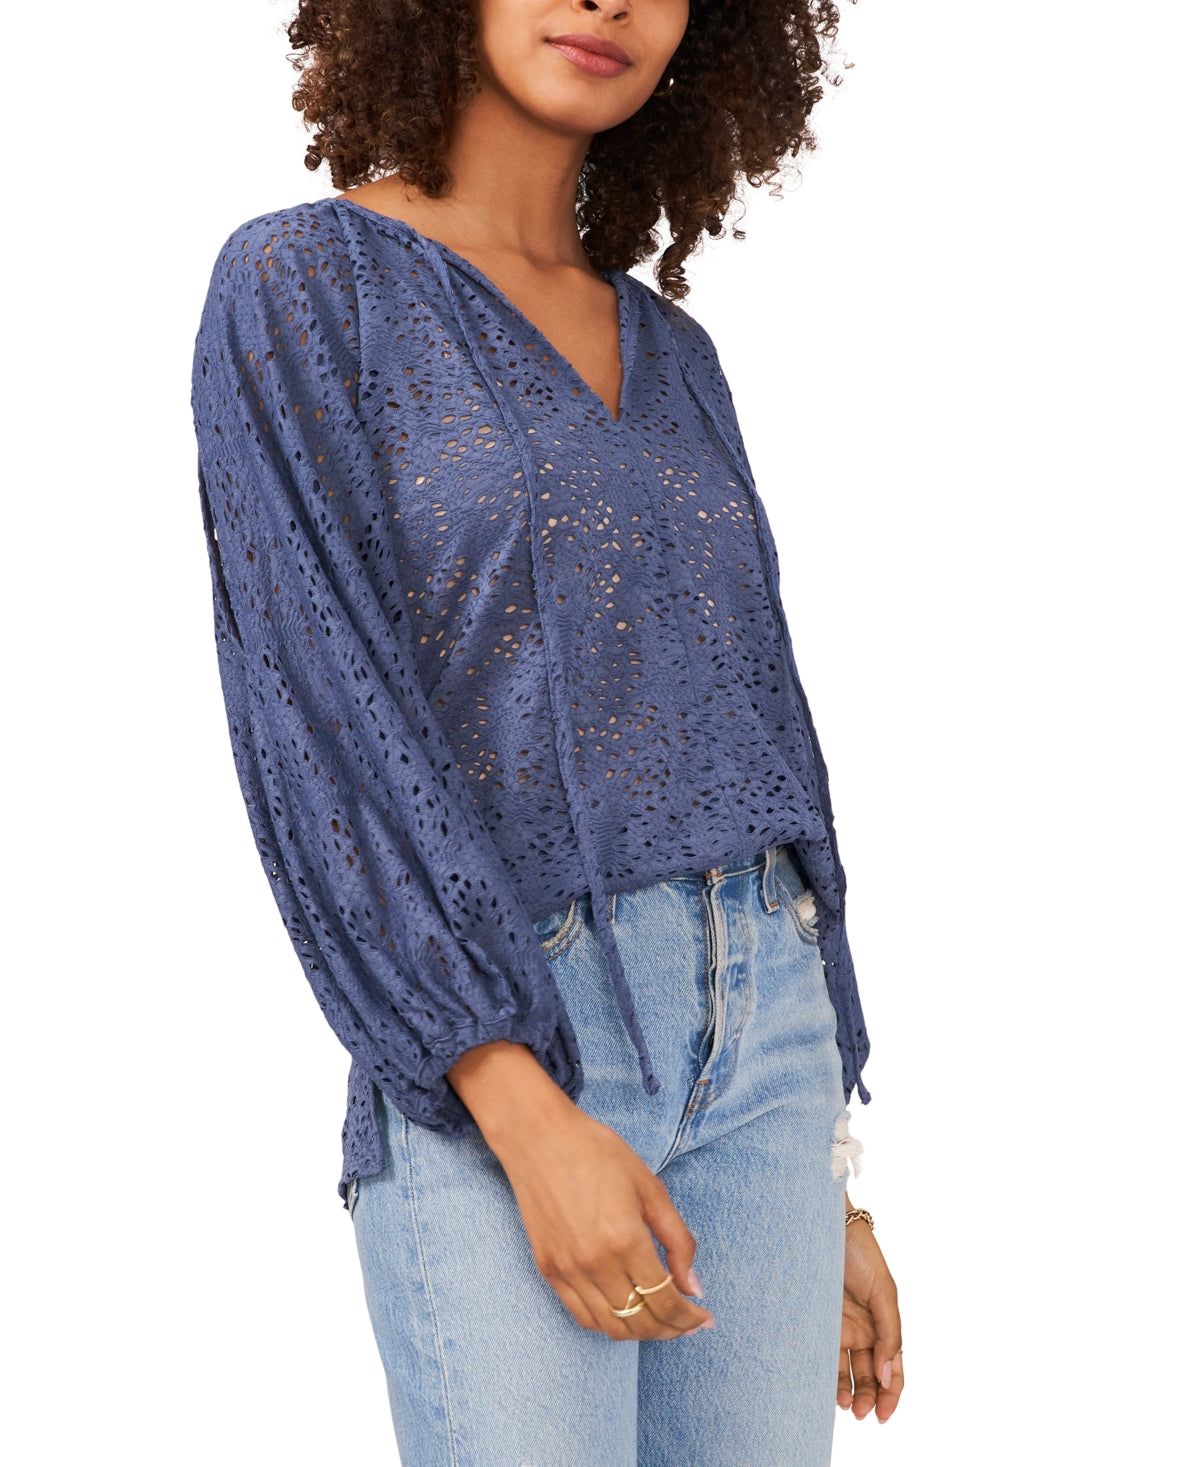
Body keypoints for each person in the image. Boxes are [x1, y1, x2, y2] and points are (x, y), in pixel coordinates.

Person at [190, 1, 903, 1461]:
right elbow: (321, 725)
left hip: (773, 1042)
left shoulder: (677, 352)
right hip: (512, 1029)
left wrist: (834, 1174)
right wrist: (511, 1096)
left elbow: (761, 727)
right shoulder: (303, 285)